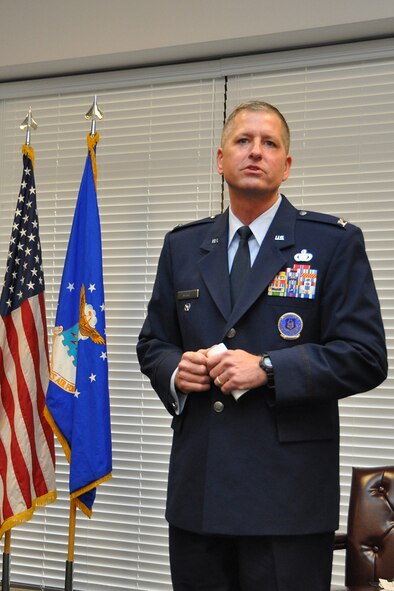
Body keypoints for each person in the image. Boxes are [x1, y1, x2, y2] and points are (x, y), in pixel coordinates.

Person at [136, 100, 387, 591]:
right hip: (198, 493)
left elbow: (365, 356)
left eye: (269, 143)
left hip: (286, 500)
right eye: (243, 141)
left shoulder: (332, 244)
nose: (256, 152)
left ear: (286, 165)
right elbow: (153, 342)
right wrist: (174, 370)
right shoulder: (183, 247)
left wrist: (269, 366)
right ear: (220, 159)